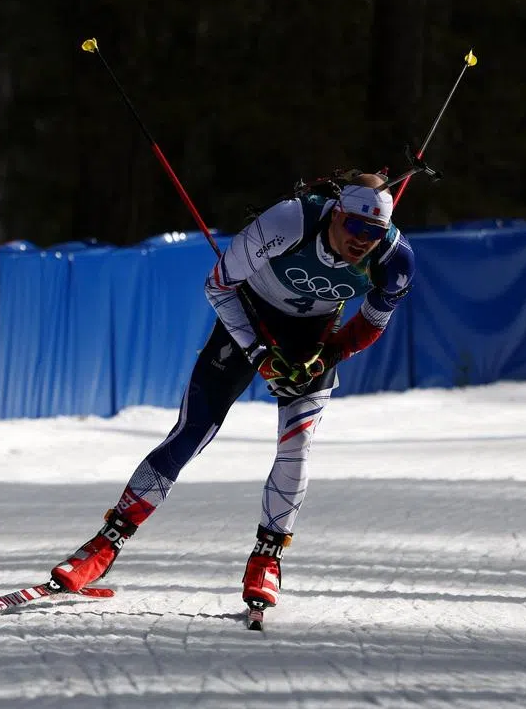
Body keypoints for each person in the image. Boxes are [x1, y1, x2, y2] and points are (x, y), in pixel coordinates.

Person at [50, 171, 416, 613]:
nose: (362, 241)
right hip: (249, 318)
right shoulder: (290, 222)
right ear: (336, 215)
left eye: (374, 232)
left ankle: (268, 558)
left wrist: (325, 359)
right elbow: (218, 285)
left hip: (315, 337)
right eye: (355, 227)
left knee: (297, 444)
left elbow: (372, 323)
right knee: (191, 433)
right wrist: (260, 354)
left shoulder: (395, 258)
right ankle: (105, 545)